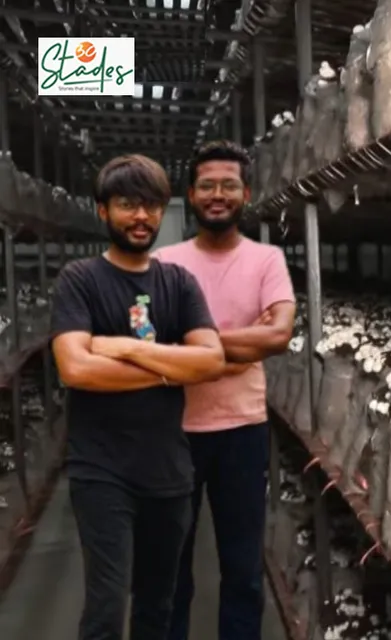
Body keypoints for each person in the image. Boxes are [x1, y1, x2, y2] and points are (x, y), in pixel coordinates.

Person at [50, 154, 226, 640]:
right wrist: (172, 367)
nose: (142, 216)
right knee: (106, 608)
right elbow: (75, 368)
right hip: (101, 470)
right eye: (127, 204)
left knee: (159, 605)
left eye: (151, 204)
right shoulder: (78, 281)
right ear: (103, 211)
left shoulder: (178, 283)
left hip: (168, 471)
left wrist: (126, 349)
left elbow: (211, 362)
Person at [155, 140, 295, 640]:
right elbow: (148, 341)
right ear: (191, 195)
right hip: (173, 433)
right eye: (208, 185)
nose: (218, 194)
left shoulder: (267, 260)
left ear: (246, 194)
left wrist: (192, 344)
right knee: (169, 569)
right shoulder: (163, 264)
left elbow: (278, 335)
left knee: (242, 569)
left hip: (242, 432)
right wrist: (239, 346)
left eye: (229, 185)